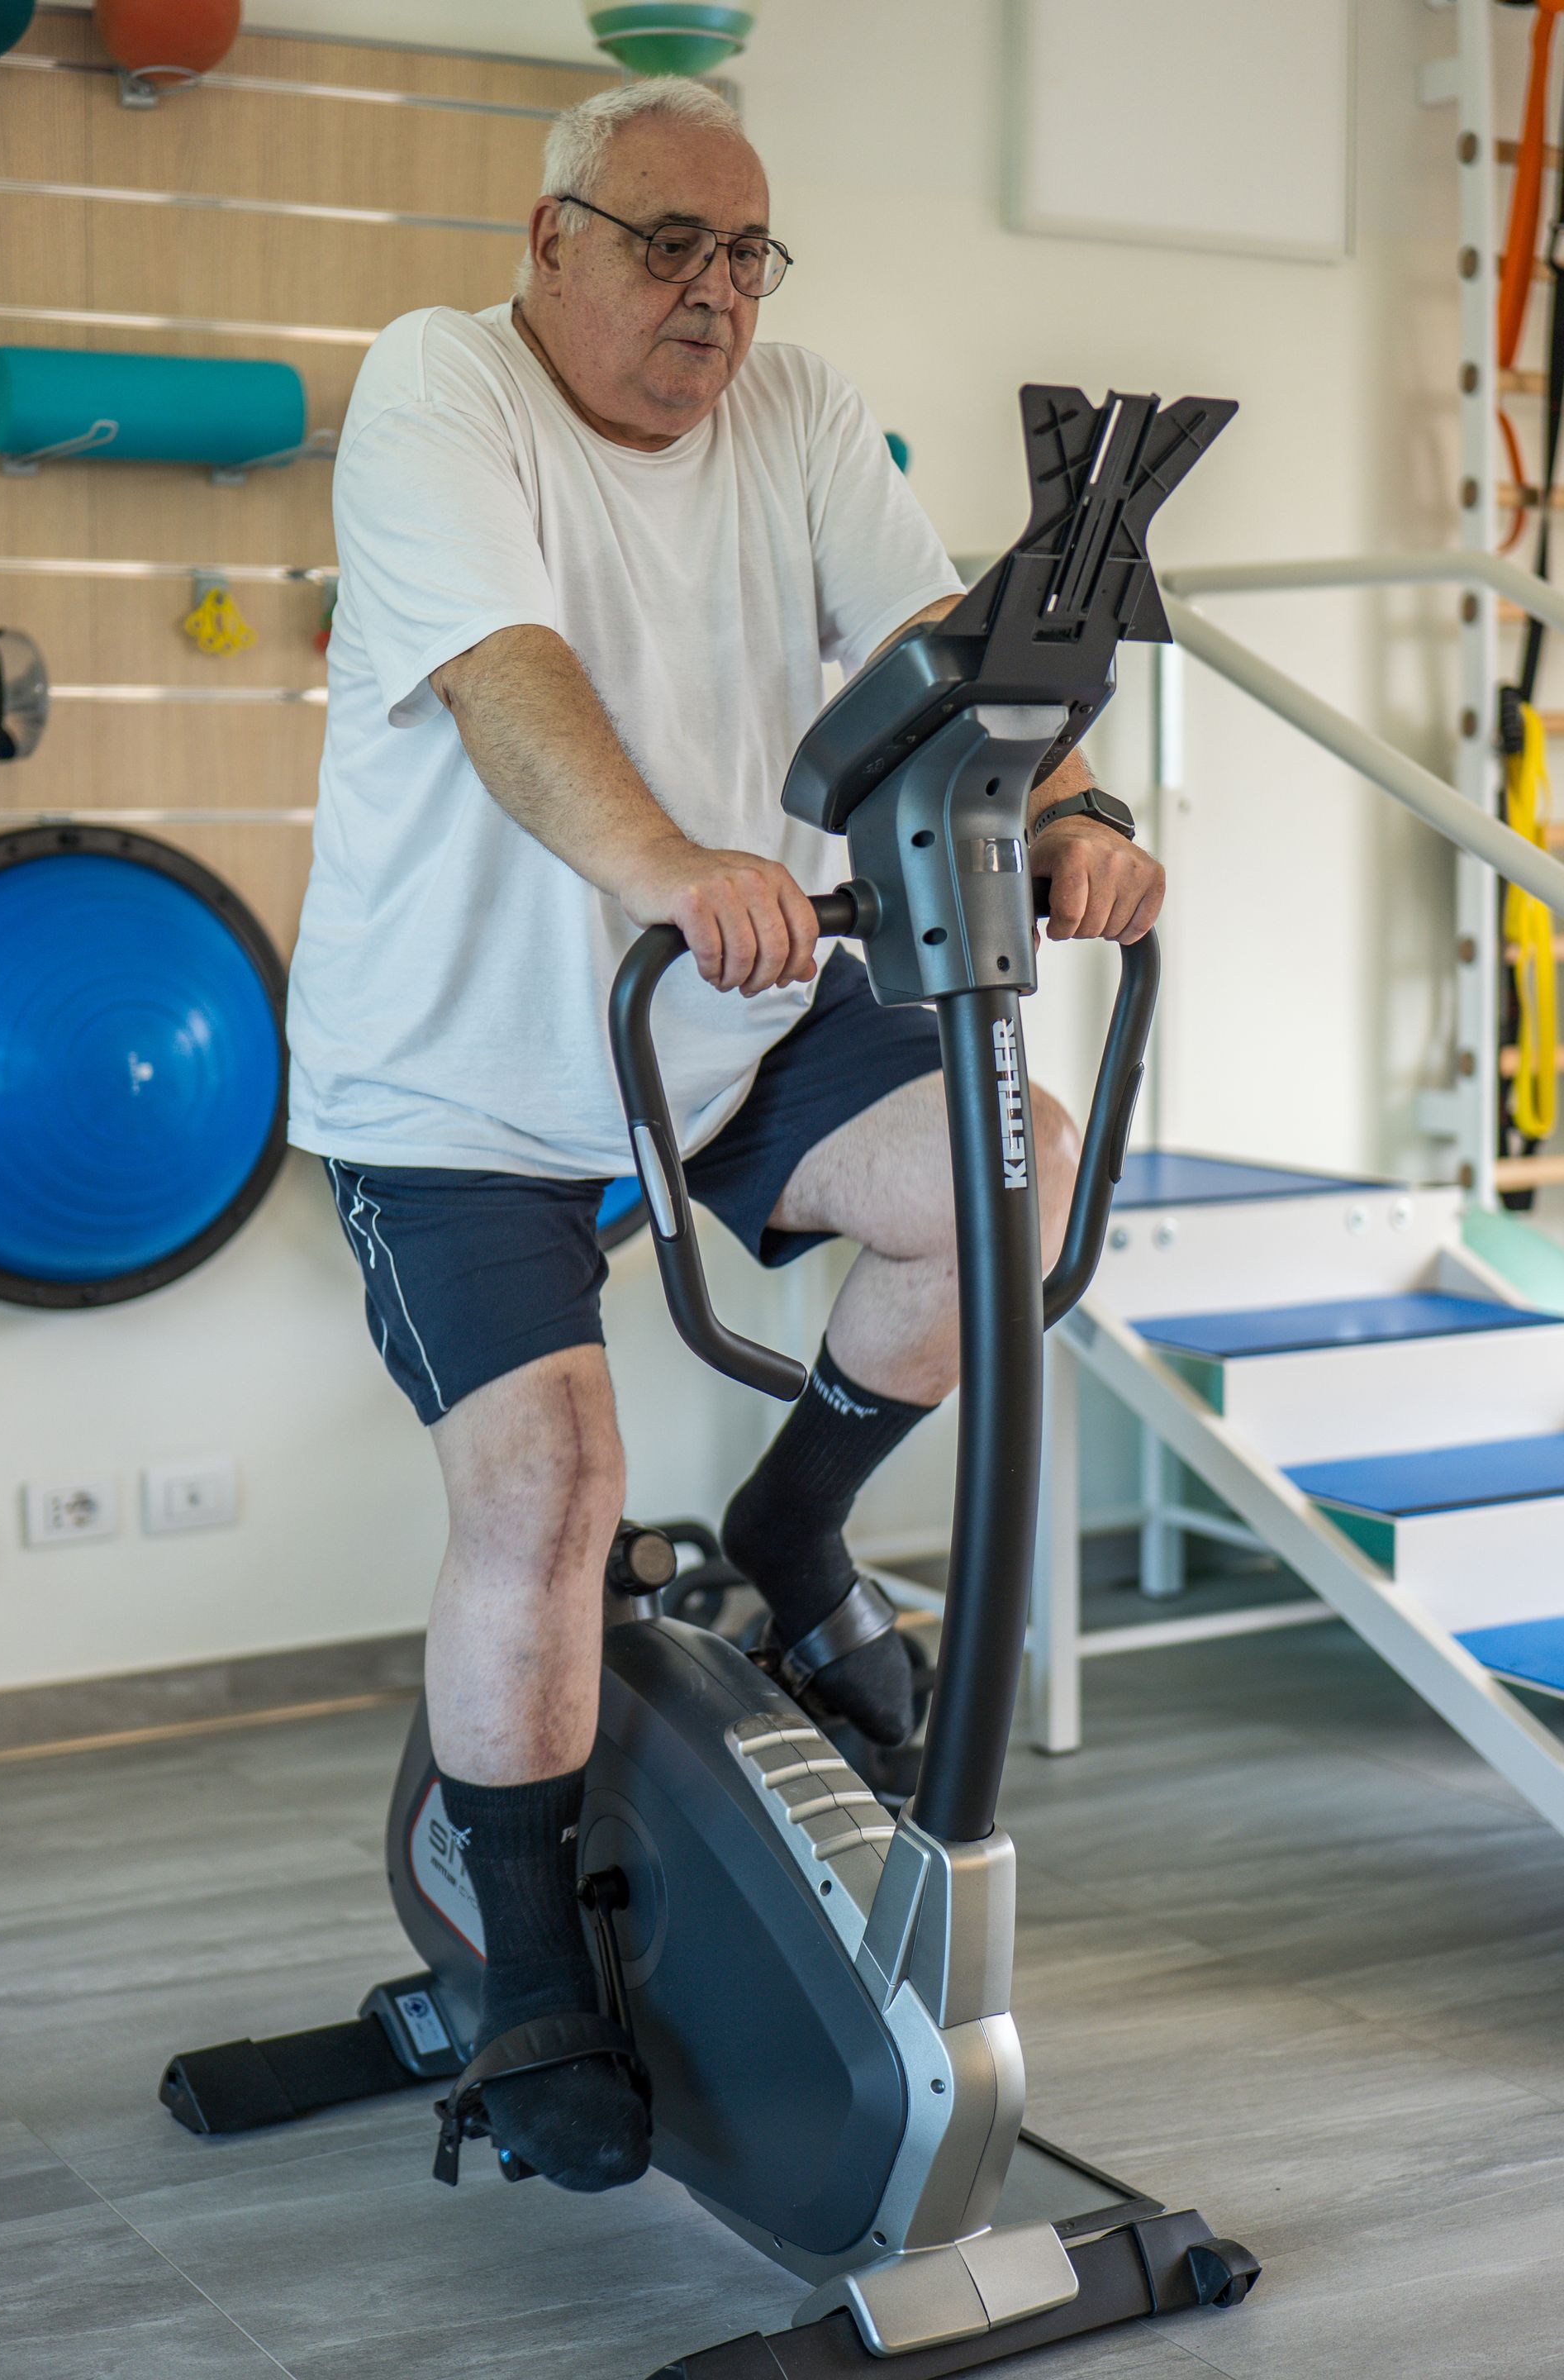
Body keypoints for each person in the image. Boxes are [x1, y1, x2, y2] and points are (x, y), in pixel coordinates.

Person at [286, 76, 1163, 2197]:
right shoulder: (443, 389)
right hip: (454, 1069)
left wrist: (1065, 810)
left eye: (747, 255)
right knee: (548, 1485)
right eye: (667, 244)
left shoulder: (795, 410)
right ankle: (528, 1974)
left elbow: (933, 662)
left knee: (1010, 1181)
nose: (713, 295)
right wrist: (672, 862)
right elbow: (502, 672)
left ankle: (788, 1530)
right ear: (551, 238)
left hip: (726, 1017)